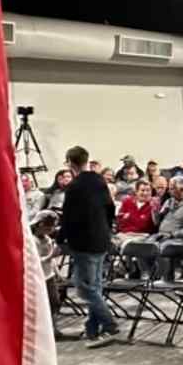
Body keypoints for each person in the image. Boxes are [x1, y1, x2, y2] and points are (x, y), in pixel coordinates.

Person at [55, 145, 120, 348]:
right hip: (101, 241)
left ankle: (110, 325)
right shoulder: (99, 180)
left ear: (70, 163)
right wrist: (107, 231)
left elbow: (68, 218)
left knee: (85, 289)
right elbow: (110, 208)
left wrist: (59, 241)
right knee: (95, 286)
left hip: (84, 243)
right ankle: (92, 330)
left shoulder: (74, 187)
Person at [32, 210, 61, 320]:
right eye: (48, 228)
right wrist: (50, 257)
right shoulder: (34, 241)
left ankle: (53, 324)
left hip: (49, 275)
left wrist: (57, 271)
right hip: (39, 276)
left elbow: (51, 259)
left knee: (54, 301)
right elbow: (36, 260)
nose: (50, 230)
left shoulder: (48, 240)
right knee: (43, 303)